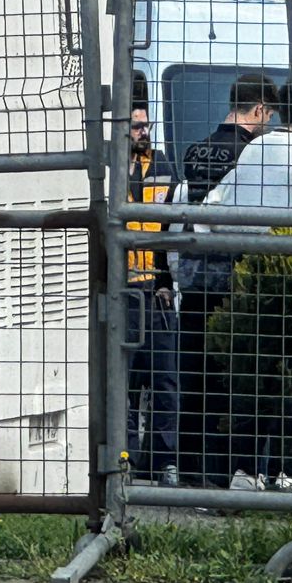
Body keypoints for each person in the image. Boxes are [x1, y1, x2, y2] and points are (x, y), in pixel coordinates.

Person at [170, 72, 278, 488]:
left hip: (196, 277)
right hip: (235, 281)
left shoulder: (198, 150)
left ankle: (191, 472)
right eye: (267, 116)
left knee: (194, 379)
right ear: (260, 110)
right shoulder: (254, 154)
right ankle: (234, 473)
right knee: (234, 384)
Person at [125, 95, 179, 483]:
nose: (145, 132)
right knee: (125, 379)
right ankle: (125, 457)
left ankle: (163, 461)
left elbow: (170, 230)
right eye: (137, 126)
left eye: (146, 125)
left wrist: (165, 281)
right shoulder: (111, 169)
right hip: (122, 288)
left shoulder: (162, 166)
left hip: (156, 290)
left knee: (164, 378)